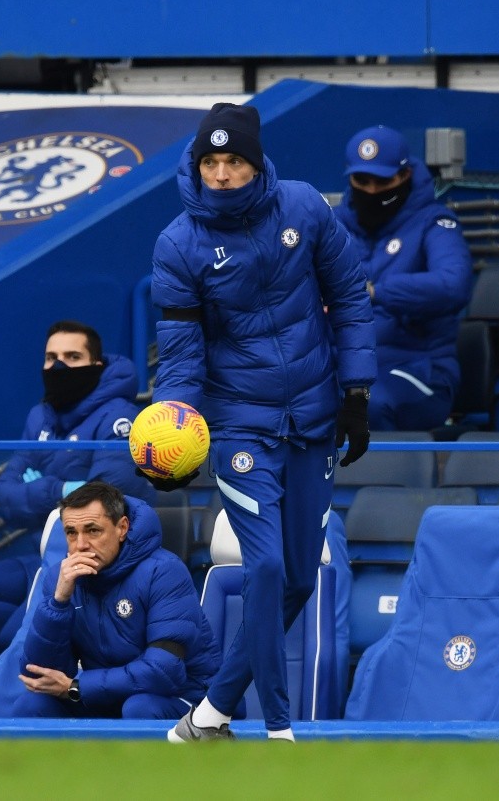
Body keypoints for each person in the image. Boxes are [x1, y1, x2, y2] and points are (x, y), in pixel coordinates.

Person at [145, 102, 376, 741]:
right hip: (239, 425)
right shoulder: (177, 244)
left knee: (299, 578)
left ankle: (208, 716)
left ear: (256, 161)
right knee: (267, 568)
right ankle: (277, 730)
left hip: (313, 418)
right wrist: (173, 430)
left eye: (233, 160)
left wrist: (356, 392)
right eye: (210, 162)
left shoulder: (304, 207)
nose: (221, 174)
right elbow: (182, 357)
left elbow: (350, 297)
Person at [0, 319, 155, 651]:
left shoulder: (119, 416)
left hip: (91, 567)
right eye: (51, 358)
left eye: (73, 357)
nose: (59, 367)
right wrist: (60, 490)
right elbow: (4, 498)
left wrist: (37, 488)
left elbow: (107, 502)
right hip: (37, 558)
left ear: (96, 365)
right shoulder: (40, 416)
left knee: (14, 638)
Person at [13, 481, 221, 718]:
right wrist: (58, 603)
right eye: (71, 532)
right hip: (104, 697)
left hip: (183, 699)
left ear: (122, 528)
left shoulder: (164, 572)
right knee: (31, 705)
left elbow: (163, 672)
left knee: (139, 708)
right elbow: (37, 675)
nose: (81, 545)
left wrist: (77, 687)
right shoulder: (62, 579)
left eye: (93, 531)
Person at [333, 125, 473, 430]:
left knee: (367, 405)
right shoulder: (333, 225)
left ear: (405, 175)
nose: (372, 191)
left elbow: (454, 284)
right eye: (362, 181)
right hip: (342, 366)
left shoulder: (434, 223)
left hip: (418, 368)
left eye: (383, 181)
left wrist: (375, 292)